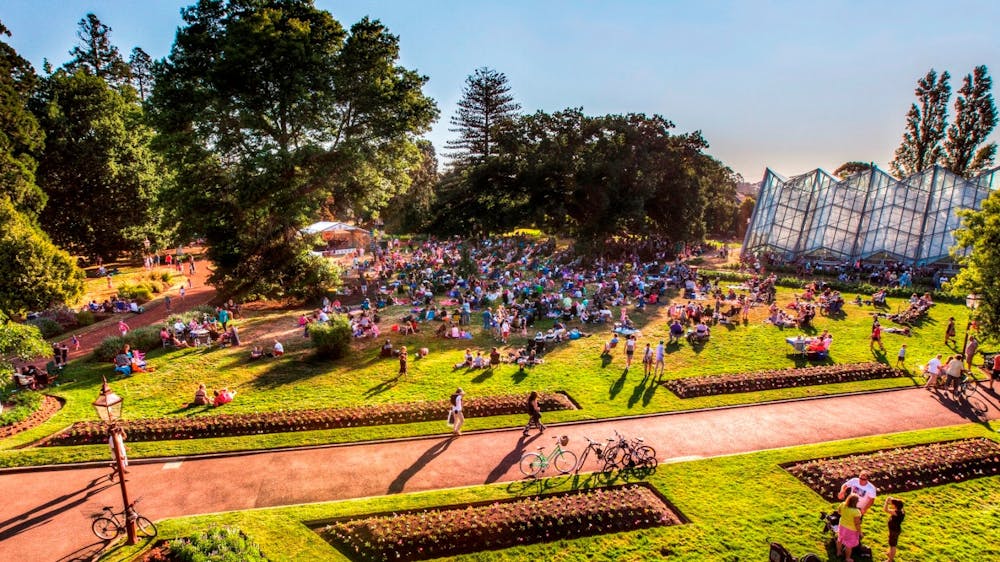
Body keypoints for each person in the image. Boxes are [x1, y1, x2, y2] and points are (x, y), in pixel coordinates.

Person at [836, 494, 863, 562]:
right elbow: (857, 524)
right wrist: (860, 533)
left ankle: (838, 552)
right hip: (851, 530)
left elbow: (839, 512)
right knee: (849, 545)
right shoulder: (856, 512)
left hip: (842, 525)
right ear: (855, 502)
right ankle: (847, 558)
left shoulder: (843, 504)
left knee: (840, 539)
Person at [884, 496, 905, 562]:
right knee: (891, 543)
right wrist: (893, 500)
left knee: (893, 545)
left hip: (894, 531)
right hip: (895, 530)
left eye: (893, 505)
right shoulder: (901, 510)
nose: (892, 505)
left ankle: (890, 560)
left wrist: (887, 502)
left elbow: (885, 510)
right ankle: (889, 553)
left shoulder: (896, 513)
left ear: (895, 506)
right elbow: (898, 503)